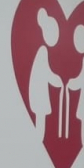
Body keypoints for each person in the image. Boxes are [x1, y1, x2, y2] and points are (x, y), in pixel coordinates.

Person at [28, 8, 63, 143]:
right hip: (39, 94)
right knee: (40, 120)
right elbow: (46, 73)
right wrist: (56, 79)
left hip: (40, 94)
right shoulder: (43, 51)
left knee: (41, 120)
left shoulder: (44, 51)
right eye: (54, 35)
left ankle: (38, 140)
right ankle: (37, 140)